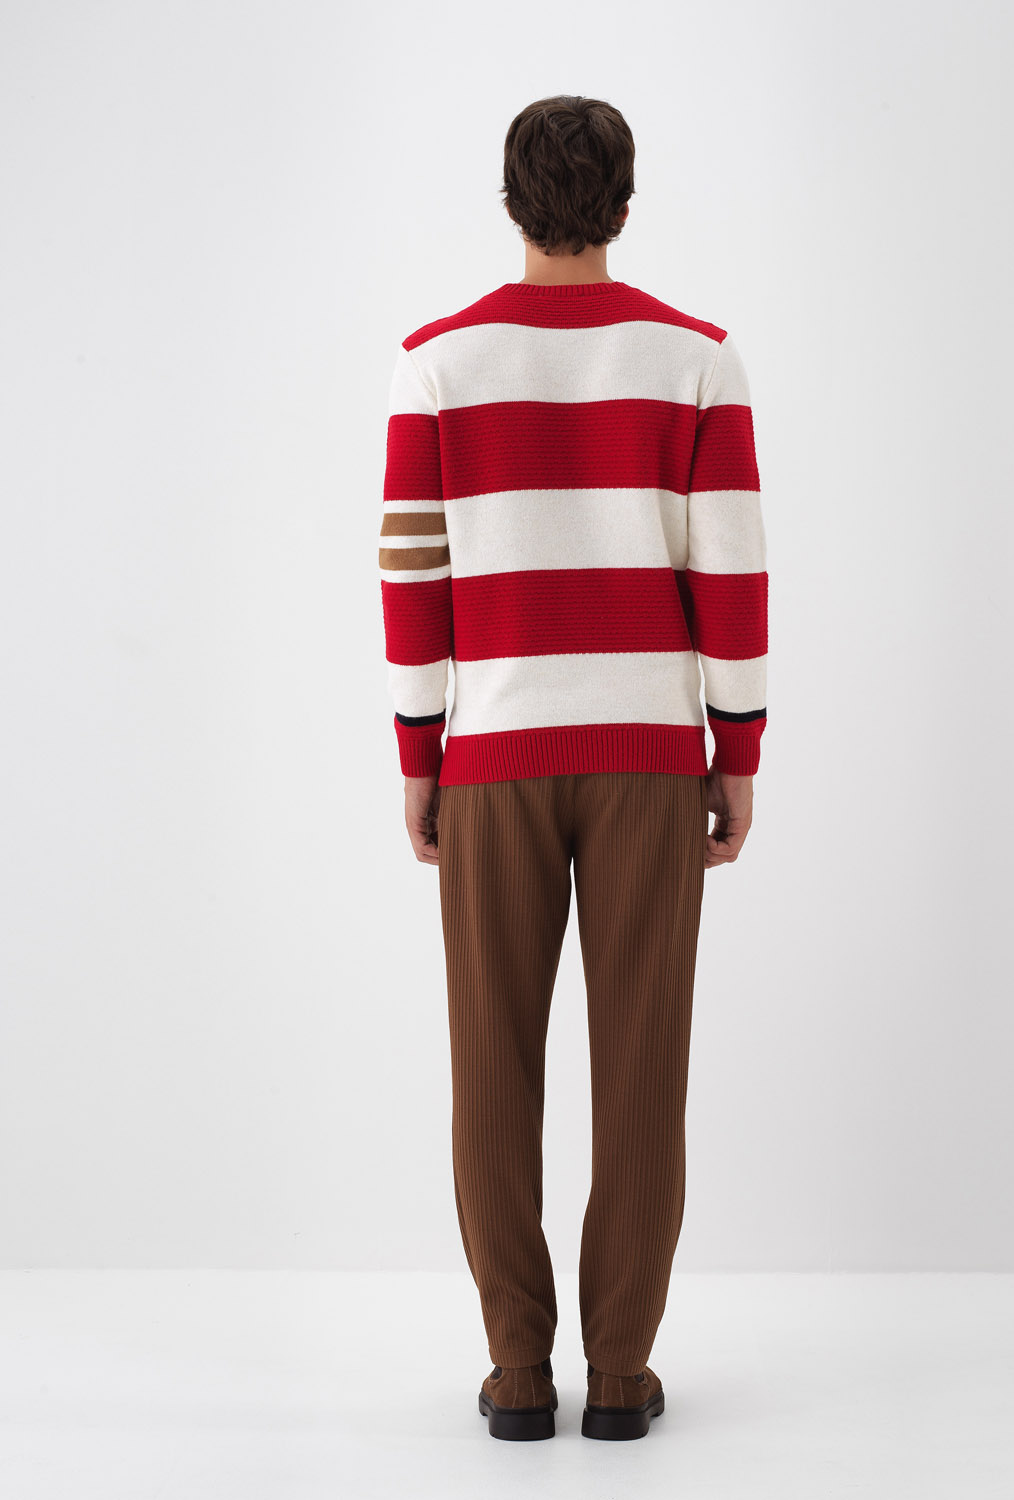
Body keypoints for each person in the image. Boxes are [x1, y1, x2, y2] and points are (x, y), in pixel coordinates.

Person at [378, 95, 767, 1442]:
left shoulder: (436, 365)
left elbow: (412, 575)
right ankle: (619, 1373)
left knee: (490, 1067)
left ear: (510, 202)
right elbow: (731, 569)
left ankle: (513, 1373)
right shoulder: (697, 362)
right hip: (650, 758)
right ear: (625, 203)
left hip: (490, 755)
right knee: (642, 1068)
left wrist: (419, 750)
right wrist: (737, 746)